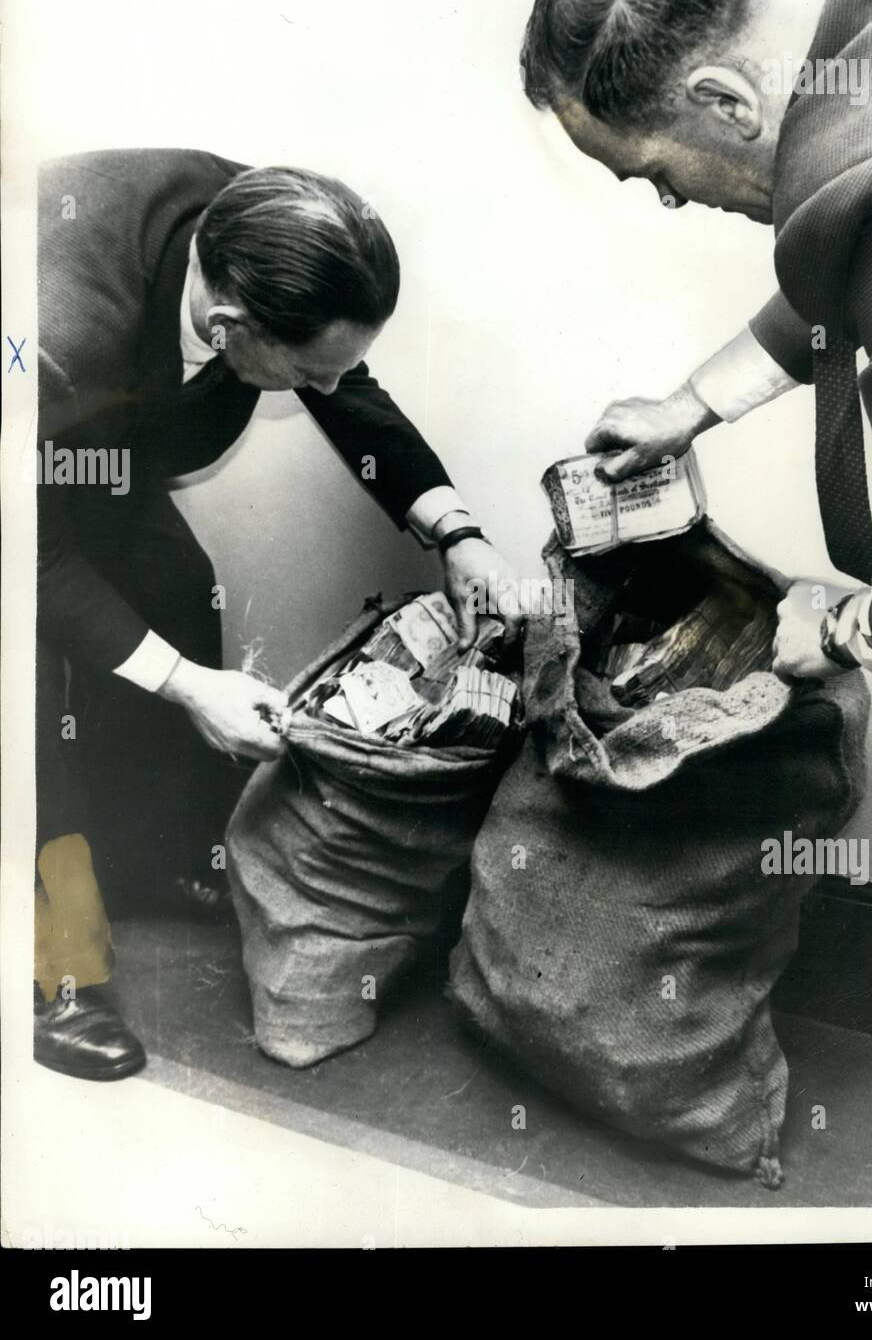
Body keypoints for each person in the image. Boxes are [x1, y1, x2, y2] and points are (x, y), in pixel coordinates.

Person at [519, 0, 872, 1193]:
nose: (673, 201)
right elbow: (846, 269)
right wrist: (687, 408)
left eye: (651, 172)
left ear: (721, 100)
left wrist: (836, 628)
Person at [35, 149, 521, 1081]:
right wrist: (184, 686)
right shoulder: (61, 335)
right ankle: (60, 964)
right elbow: (31, 551)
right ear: (226, 329)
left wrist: (456, 532)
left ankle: (145, 857)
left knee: (175, 586)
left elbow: (347, 388)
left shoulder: (262, 229)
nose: (327, 385)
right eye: (304, 370)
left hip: (80, 445)